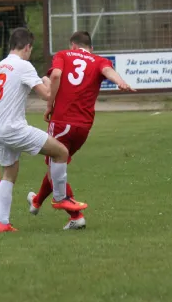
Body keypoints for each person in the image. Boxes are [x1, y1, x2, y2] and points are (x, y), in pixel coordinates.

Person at [0, 27, 88, 233]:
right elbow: (47, 95)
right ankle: (60, 197)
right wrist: (47, 80)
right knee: (61, 152)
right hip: (14, 128)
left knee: (9, 172)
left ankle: (2, 223)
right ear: (27, 47)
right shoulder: (23, 66)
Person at [27, 31, 134, 230]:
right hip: (83, 127)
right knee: (57, 164)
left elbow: (56, 75)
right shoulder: (98, 60)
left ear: (73, 46)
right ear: (90, 48)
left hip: (62, 122)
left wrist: (49, 104)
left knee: (55, 167)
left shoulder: (63, 55)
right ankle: (36, 202)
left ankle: (76, 216)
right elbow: (109, 72)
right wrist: (121, 82)